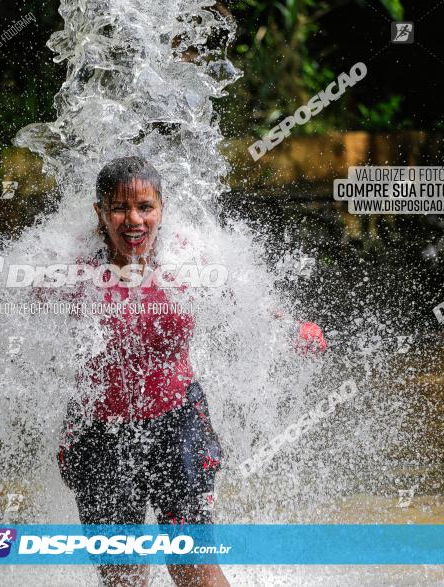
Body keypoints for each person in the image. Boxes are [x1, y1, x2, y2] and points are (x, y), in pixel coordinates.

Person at [55, 156, 325, 587]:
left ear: (161, 208)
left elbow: (246, 295)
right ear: (100, 211)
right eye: (120, 208)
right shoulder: (70, 266)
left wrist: (291, 327)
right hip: (98, 431)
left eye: (145, 207)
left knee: (192, 563)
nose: (134, 220)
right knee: (122, 574)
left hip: (178, 422)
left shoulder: (187, 256)